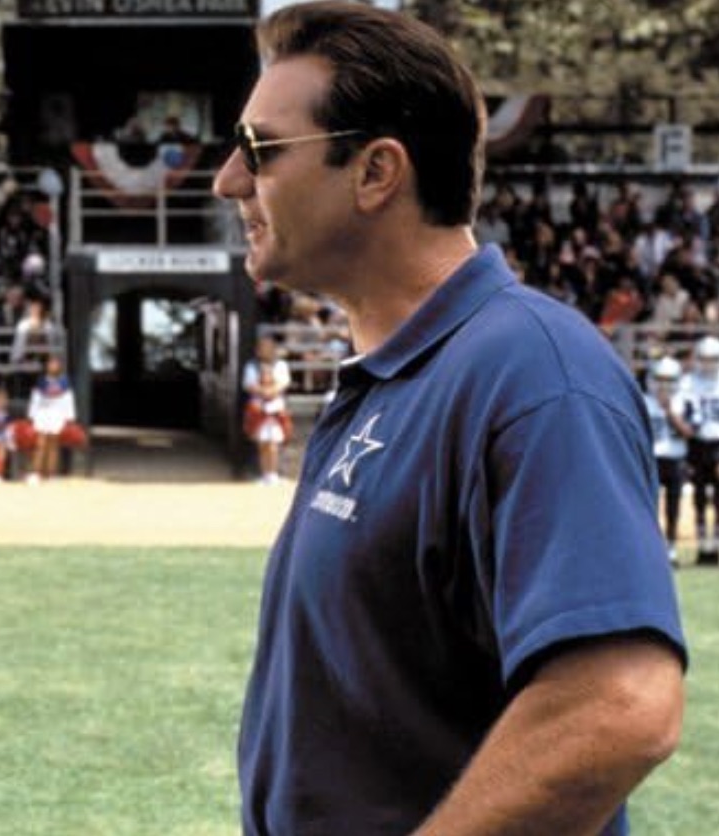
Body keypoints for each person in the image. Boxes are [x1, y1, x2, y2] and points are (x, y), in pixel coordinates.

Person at [211, 5, 685, 834]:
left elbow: (620, 705)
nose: (228, 180)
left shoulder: (534, 372)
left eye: (259, 151)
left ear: (374, 173)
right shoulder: (404, 371)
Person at [674, 335, 719, 566]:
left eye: (713, 359)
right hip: (698, 444)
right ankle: (703, 546)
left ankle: (716, 546)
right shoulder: (688, 382)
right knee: (700, 497)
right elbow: (680, 412)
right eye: (705, 358)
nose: (709, 363)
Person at [645, 356, 687, 566]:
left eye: (669, 379)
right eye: (660, 379)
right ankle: (650, 549)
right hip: (651, 460)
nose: (664, 384)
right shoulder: (643, 400)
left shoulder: (683, 400)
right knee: (648, 507)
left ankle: (670, 548)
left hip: (675, 458)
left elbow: (688, 432)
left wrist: (669, 411)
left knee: (673, 507)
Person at [241, 335, 294, 484]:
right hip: (258, 408)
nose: (266, 350)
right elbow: (249, 384)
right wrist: (263, 392)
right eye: (262, 347)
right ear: (258, 350)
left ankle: (274, 473)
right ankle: (265, 474)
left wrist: (271, 392)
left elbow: (284, 383)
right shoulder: (251, 366)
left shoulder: (281, 365)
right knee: (262, 443)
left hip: (276, 407)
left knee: (274, 443)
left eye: (269, 347)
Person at [25, 354, 77, 484]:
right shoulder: (41, 381)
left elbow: (68, 400)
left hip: (57, 415)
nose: (53, 365)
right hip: (42, 414)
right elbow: (35, 399)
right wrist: (32, 416)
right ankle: (35, 473)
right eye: (50, 363)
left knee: (53, 446)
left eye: (55, 363)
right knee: (40, 444)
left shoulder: (65, 382)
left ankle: (51, 474)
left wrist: (69, 417)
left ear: (59, 366)